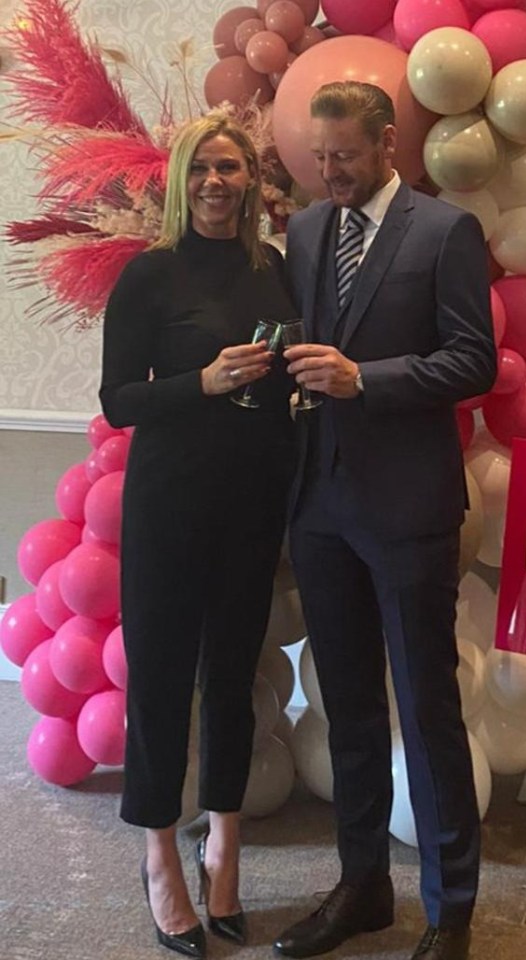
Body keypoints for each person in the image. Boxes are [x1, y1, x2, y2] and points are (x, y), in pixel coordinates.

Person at [273, 82, 497, 960]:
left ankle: (451, 914)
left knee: (427, 709)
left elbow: (472, 358)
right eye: (319, 157)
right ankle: (363, 887)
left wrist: (370, 378)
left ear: (388, 143)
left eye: (346, 157)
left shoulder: (445, 233)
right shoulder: (301, 230)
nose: (329, 173)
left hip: (407, 511)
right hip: (319, 506)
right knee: (350, 711)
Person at [99, 112, 296, 960]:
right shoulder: (149, 276)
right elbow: (119, 401)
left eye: (233, 167)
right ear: (183, 181)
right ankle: (157, 855)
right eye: (203, 168)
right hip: (169, 507)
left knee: (232, 680)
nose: (218, 181)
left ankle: (224, 843)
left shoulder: (275, 272)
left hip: (252, 506)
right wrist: (203, 381)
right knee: (162, 682)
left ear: (253, 180)